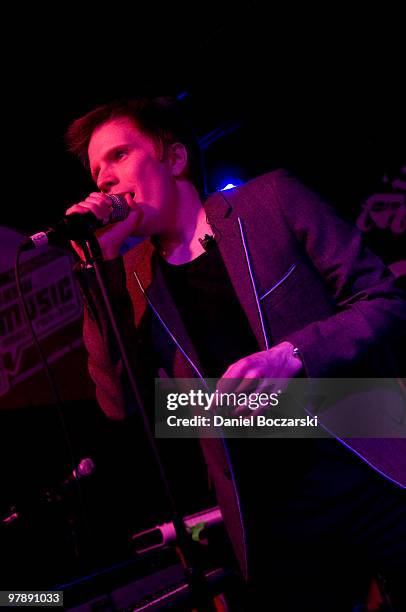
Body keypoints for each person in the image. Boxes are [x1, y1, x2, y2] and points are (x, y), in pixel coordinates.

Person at [65, 97, 406, 610]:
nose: (104, 179)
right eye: (96, 171)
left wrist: (293, 355)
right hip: (272, 519)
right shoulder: (133, 279)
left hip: (369, 465)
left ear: (174, 158)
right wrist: (101, 271)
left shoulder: (271, 200)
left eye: (118, 156)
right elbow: (119, 403)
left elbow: (384, 300)